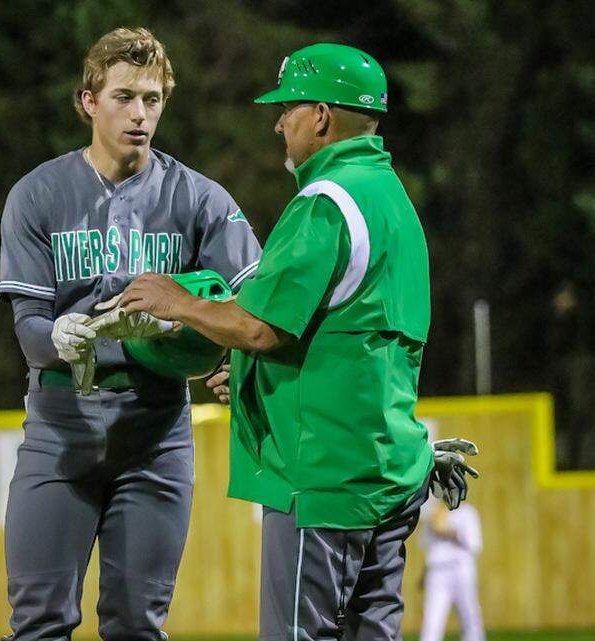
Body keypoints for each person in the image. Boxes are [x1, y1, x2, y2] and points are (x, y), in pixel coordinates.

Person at [116, 43, 476, 641]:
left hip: (325, 483)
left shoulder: (325, 203)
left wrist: (176, 302)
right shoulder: (392, 200)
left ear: (322, 117)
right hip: (390, 471)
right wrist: (259, 377)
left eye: (289, 107)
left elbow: (260, 327)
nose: (279, 122)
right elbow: (352, 335)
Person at [0, 27, 260, 641]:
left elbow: (256, 307)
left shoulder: (201, 199)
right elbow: (29, 330)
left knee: (137, 625)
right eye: (123, 97)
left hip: (158, 427)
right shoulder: (37, 195)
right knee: (38, 623)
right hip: (62, 425)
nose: (140, 114)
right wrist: (58, 337)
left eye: (153, 98)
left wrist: (236, 360)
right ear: (88, 101)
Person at [418, 501, 486, 641]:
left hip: (461, 568)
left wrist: (448, 531)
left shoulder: (467, 512)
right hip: (437, 571)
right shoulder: (433, 512)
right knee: (432, 617)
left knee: (470, 615)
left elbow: (475, 545)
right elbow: (425, 544)